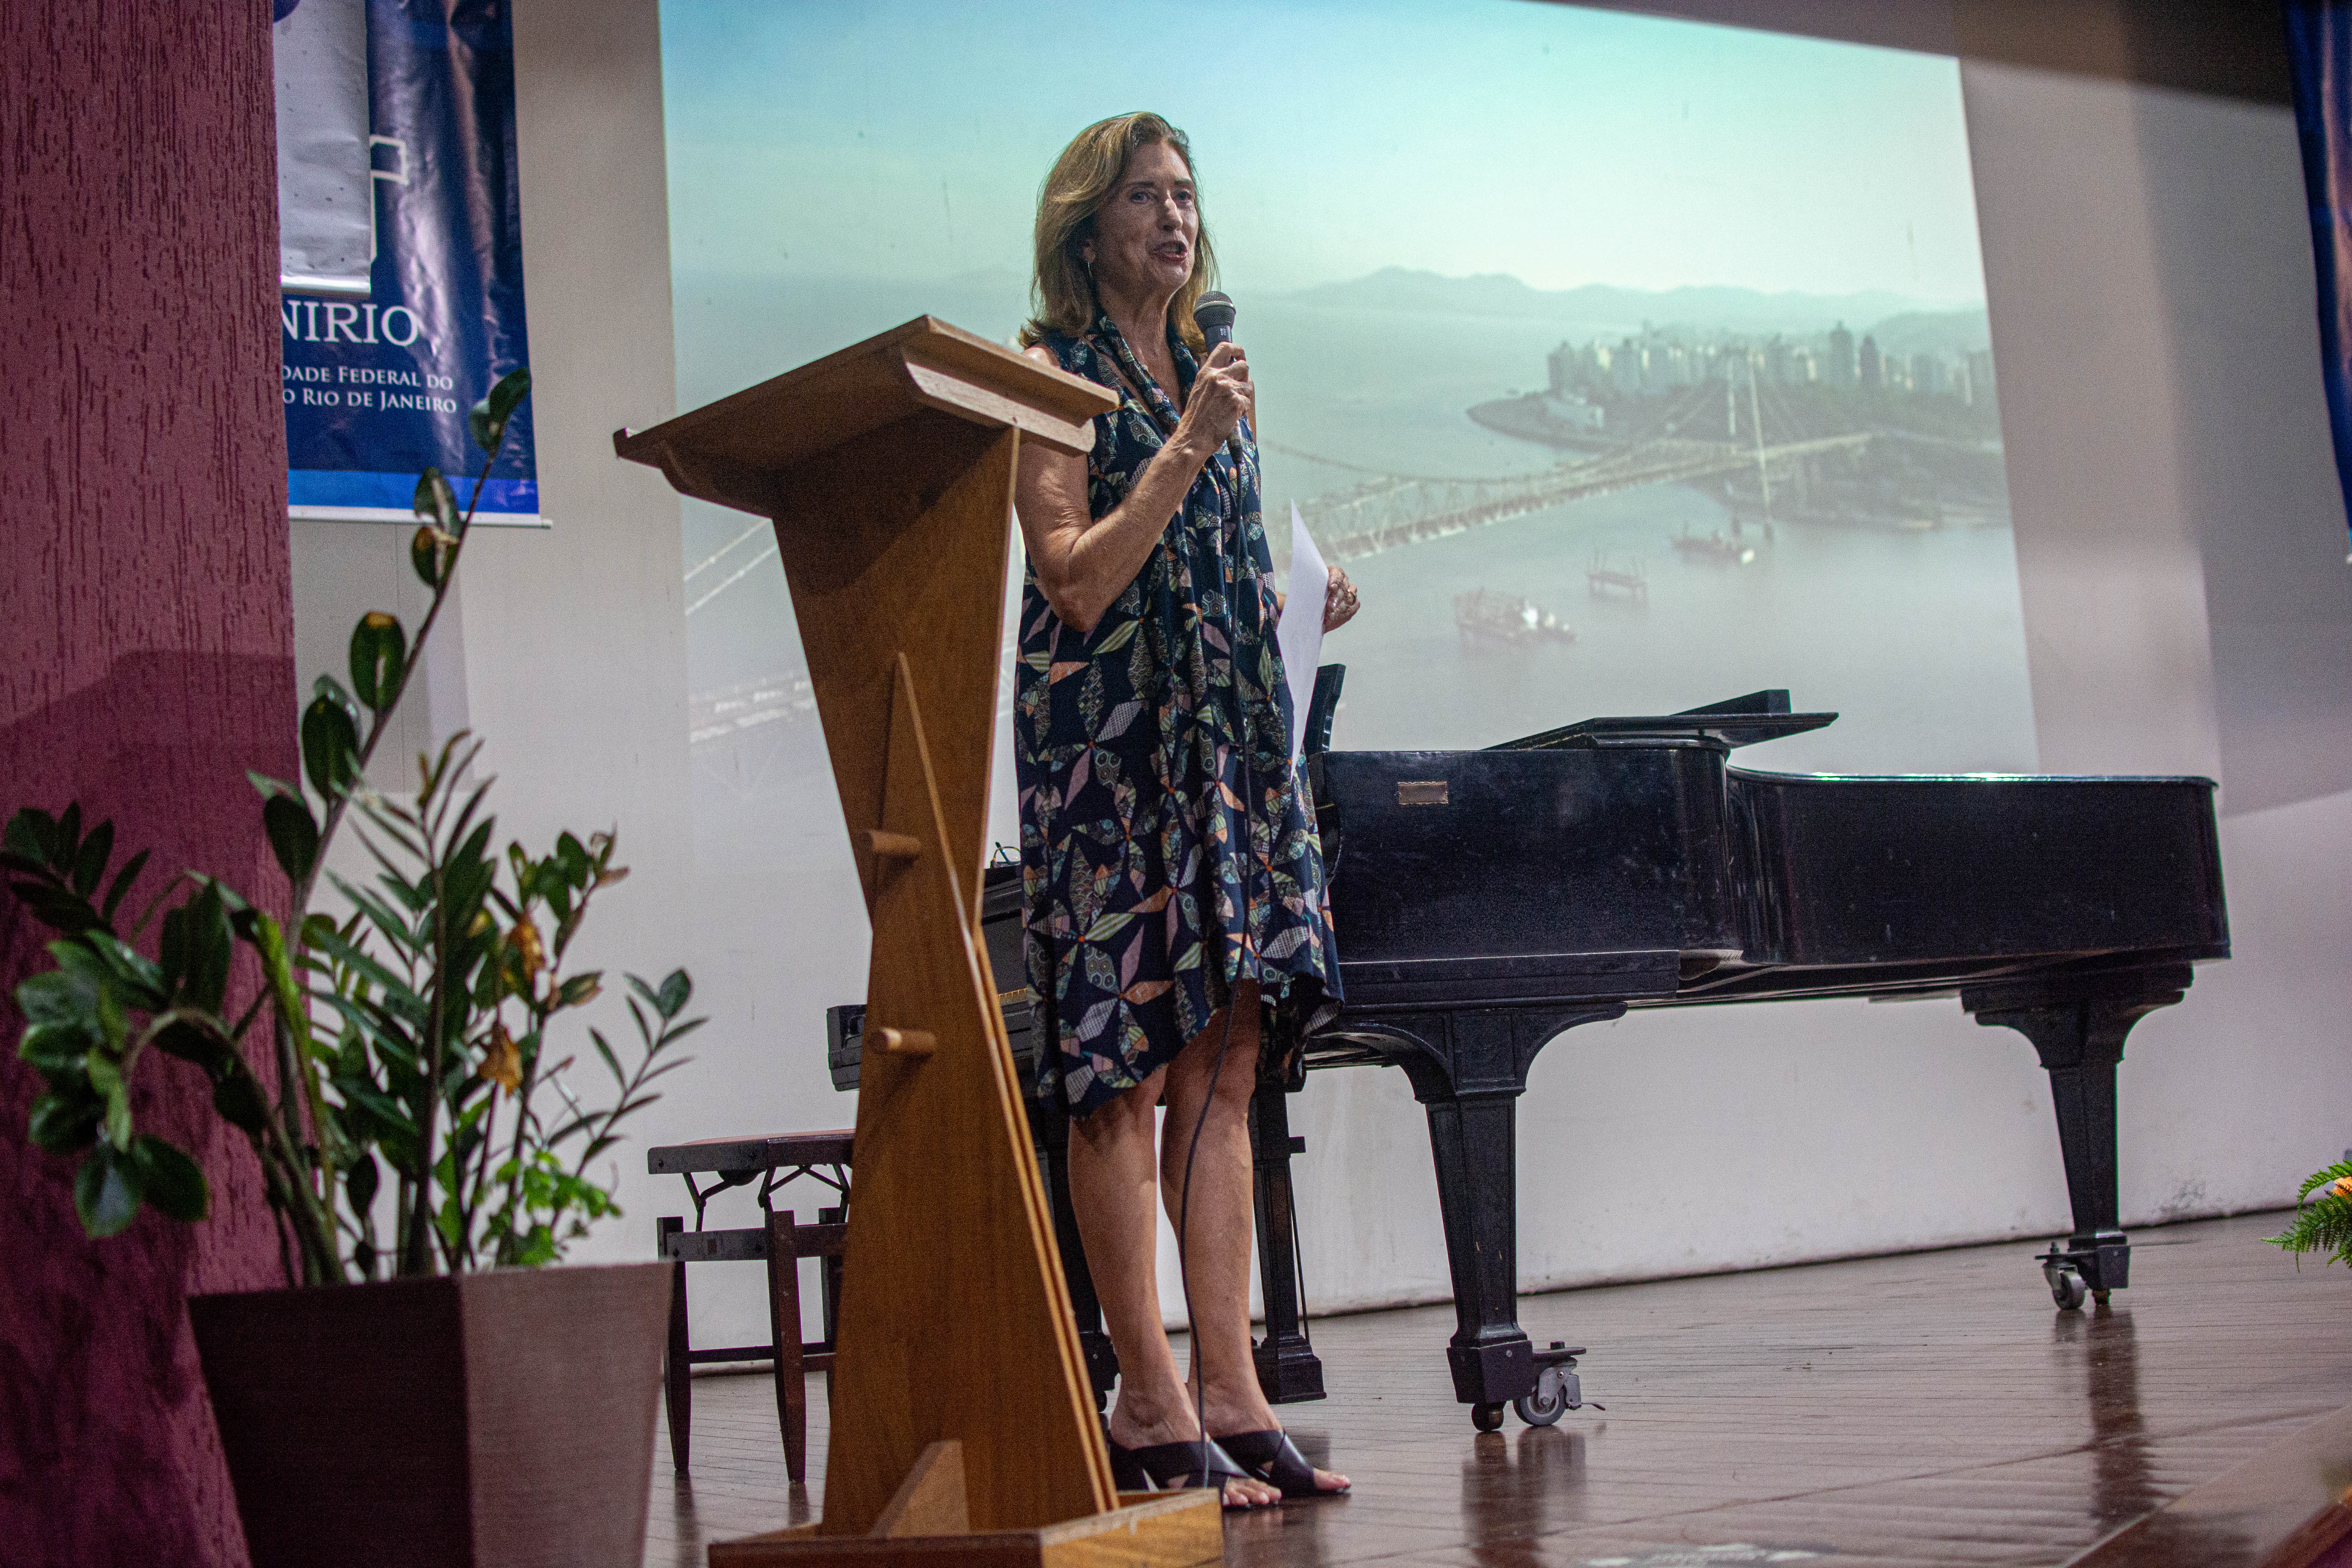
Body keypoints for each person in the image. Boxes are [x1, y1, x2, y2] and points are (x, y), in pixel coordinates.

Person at [1012, 112, 1358, 1510]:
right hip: (1112, 764)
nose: (1176, 217)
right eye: (1146, 196)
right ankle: (1145, 1399)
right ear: (1087, 226)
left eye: (1187, 195)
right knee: (1125, 1069)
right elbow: (1074, 579)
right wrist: (1188, 443)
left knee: (1227, 1062)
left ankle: (1231, 1388)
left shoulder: (1220, 374)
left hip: (1226, 757)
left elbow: (1211, 570)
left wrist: (1302, 603)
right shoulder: (1052, 378)